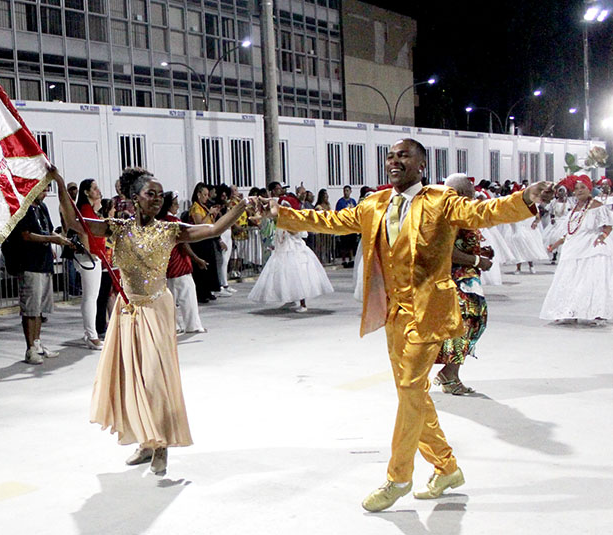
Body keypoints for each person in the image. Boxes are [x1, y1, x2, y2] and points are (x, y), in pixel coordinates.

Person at [259, 138, 554, 512]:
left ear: (422, 166)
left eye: (404, 156)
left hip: (430, 313)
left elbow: (485, 213)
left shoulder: (441, 201)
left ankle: (398, 477)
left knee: (412, 387)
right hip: (394, 314)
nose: (394, 161)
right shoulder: (375, 204)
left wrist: (526, 198)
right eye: (390, 156)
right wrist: (279, 213)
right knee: (410, 395)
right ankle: (447, 467)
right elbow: (328, 221)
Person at [56, 167, 249, 476]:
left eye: (160, 195)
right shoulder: (118, 228)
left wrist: (240, 207)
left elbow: (212, 230)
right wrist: (59, 184)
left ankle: (161, 445)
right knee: (132, 380)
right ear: (135, 198)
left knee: (155, 380)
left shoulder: (170, 230)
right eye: (151, 194)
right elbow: (74, 223)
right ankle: (146, 441)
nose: (157, 200)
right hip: (126, 311)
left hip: (156, 310)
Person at [434, 175, 496, 395]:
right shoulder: (447, 215)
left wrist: (480, 252)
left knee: (472, 322)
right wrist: (477, 260)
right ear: (459, 193)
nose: (473, 194)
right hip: (454, 280)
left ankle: (450, 373)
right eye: (470, 191)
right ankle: (449, 374)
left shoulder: (461, 212)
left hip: (467, 279)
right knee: (465, 323)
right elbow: (446, 252)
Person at [2, 189, 71, 364]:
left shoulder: (42, 207)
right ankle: (30, 348)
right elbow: (26, 235)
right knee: (30, 308)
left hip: (44, 263)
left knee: (39, 308)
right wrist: (52, 240)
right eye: (44, 189)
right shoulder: (23, 208)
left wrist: (59, 238)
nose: (46, 193)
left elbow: (47, 230)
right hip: (29, 263)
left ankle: (38, 343)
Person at [540, 175, 613, 324]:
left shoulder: (597, 205)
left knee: (591, 281)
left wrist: (602, 236)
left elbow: (608, 224)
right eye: (577, 189)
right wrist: (555, 245)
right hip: (573, 248)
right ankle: (568, 311)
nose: (579, 191)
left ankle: (597, 313)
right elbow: (569, 231)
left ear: (589, 189)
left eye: (583, 188)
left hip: (592, 248)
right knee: (569, 279)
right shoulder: (573, 209)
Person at [247, 220, 334, 312]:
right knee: (285, 277)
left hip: (295, 251)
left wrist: (286, 225)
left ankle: (303, 304)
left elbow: (297, 232)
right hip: (282, 251)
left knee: (298, 277)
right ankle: (290, 299)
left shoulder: (294, 222)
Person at [157, 191, 206, 334]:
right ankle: (193, 325)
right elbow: (184, 243)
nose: (177, 206)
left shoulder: (160, 221)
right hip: (179, 263)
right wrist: (196, 259)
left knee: (170, 297)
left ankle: (174, 325)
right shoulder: (174, 223)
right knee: (187, 295)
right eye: (175, 203)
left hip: (166, 264)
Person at [75, 178, 107, 349]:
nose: (98, 191)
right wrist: (89, 253)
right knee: (90, 297)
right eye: (94, 188)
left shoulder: (91, 209)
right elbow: (84, 232)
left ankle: (89, 331)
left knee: (90, 297)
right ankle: (91, 335)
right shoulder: (85, 209)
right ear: (86, 192)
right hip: (90, 257)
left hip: (94, 256)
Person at [189, 183, 222, 303]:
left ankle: (208, 290)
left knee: (210, 266)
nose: (207, 197)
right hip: (199, 241)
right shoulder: (196, 207)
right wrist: (209, 214)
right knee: (202, 268)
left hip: (207, 239)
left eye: (207, 195)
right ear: (198, 195)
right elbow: (199, 223)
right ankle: (201, 292)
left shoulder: (204, 206)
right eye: (204, 195)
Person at [335, 185, 358, 267]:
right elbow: (337, 212)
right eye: (345, 191)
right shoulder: (340, 202)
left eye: (347, 190)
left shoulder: (353, 201)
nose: (346, 192)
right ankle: (344, 259)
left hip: (351, 225)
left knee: (351, 243)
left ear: (350, 191)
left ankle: (351, 258)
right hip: (344, 225)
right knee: (344, 244)